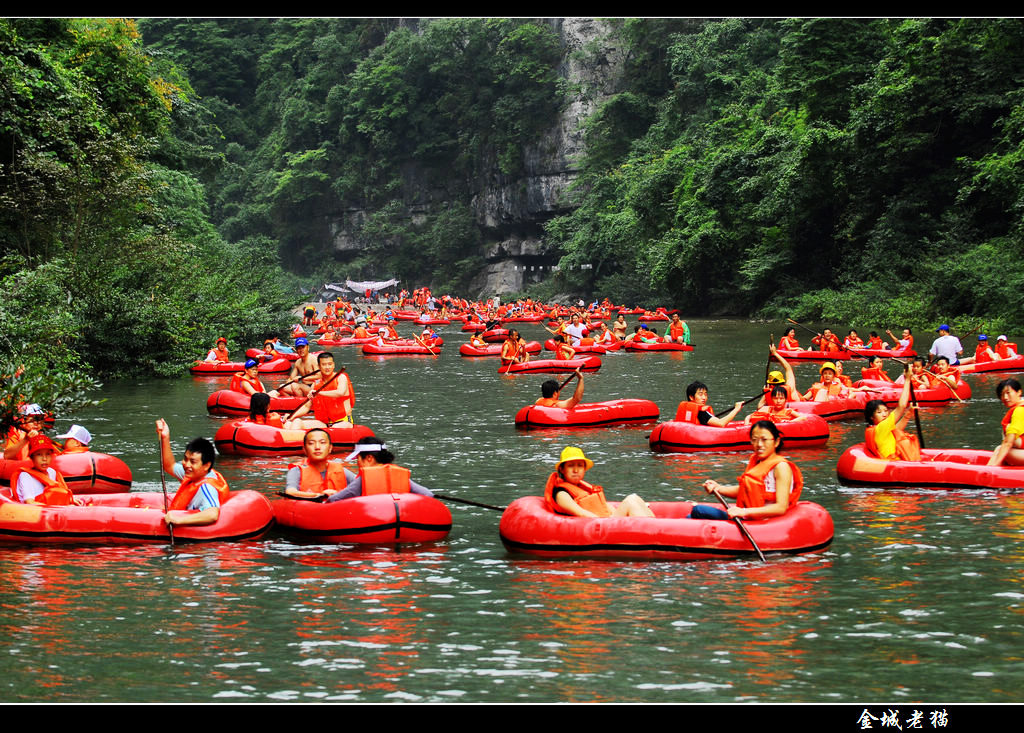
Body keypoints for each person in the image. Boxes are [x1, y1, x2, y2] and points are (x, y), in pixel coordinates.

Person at [688, 421, 803, 520]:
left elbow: (781, 507)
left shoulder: (781, 467)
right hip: (747, 517)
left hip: (763, 523)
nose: (759, 444)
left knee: (699, 510)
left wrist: (744, 512)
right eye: (755, 440)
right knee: (692, 516)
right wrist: (718, 488)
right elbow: (746, 490)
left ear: (776, 442)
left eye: (764, 440)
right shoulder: (756, 461)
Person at [542, 446, 654, 518]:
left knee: (634, 498)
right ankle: (654, 532)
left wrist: (616, 514)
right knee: (630, 501)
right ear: (562, 469)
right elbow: (580, 513)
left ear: (584, 469)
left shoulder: (582, 488)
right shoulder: (562, 493)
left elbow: (604, 506)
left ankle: (657, 528)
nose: (576, 470)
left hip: (606, 520)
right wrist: (606, 522)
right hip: (602, 526)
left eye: (580, 466)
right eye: (571, 466)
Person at [156, 418, 229, 527]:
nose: (186, 465)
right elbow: (169, 466)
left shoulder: (207, 488)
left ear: (207, 465)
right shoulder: (194, 473)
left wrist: (178, 520)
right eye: (185, 459)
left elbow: (212, 514)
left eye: (192, 461)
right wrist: (165, 437)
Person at [325, 436, 434, 503]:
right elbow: (427, 494)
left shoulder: (363, 480)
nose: (357, 463)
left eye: (358, 458)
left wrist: (331, 496)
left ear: (369, 458)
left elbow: (335, 499)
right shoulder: (398, 476)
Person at [283, 352, 354, 429]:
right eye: (324, 365)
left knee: (333, 428)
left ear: (333, 365)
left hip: (343, 422)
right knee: (295, 423)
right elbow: (307, 406)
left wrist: (319, 393)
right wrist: (292, 416)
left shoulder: (341, 377)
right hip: (325, 423)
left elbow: (340, 392)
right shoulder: (316, 384)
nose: (327, 367)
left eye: (329, 364)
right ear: (319, 367)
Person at [863, 367, 920, 461]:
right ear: (871, 417)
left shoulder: (883, 429)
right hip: (894, 464)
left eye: (886, 411)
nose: (884, 414)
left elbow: (897, 429)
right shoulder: (880, 428)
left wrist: (909, 413)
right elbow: (901, 406)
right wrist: (907, 380)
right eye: (879, 412)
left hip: (896, 462)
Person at [283, 428, 355, 499]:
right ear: (304, 449)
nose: (317, 447)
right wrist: (320, 495)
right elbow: (290, 492)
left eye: (322, 443)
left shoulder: (340, 470)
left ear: (330, 448)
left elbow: (361, 485)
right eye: (311, 443)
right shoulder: (297, 471)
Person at [10, 435, 79, 506]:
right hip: (35, 512)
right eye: (39, 454)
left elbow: (58, 495)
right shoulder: (25, 476)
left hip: (50, 507)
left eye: (48, 454)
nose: (44, 459)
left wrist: (69, 500)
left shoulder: (52, 472)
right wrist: (61, 508)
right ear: (32, 457)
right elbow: (30, 503)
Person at [675, 381, 745, 426]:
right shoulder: (702, 412)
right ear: (691, 397)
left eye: (705, 394)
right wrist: (736, 409)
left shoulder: (690, 409)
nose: (704, 398)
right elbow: (721, 423)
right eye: (700, 394)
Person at [988, 378, 1024, 466]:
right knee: (999, 449)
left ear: (1019, 392)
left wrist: (993, 466)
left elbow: (1008, 443)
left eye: (1008, 393)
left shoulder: (1019, 411)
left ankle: (989, 472)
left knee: (1001, 450)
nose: (1005, 398)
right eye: (1002, 394)